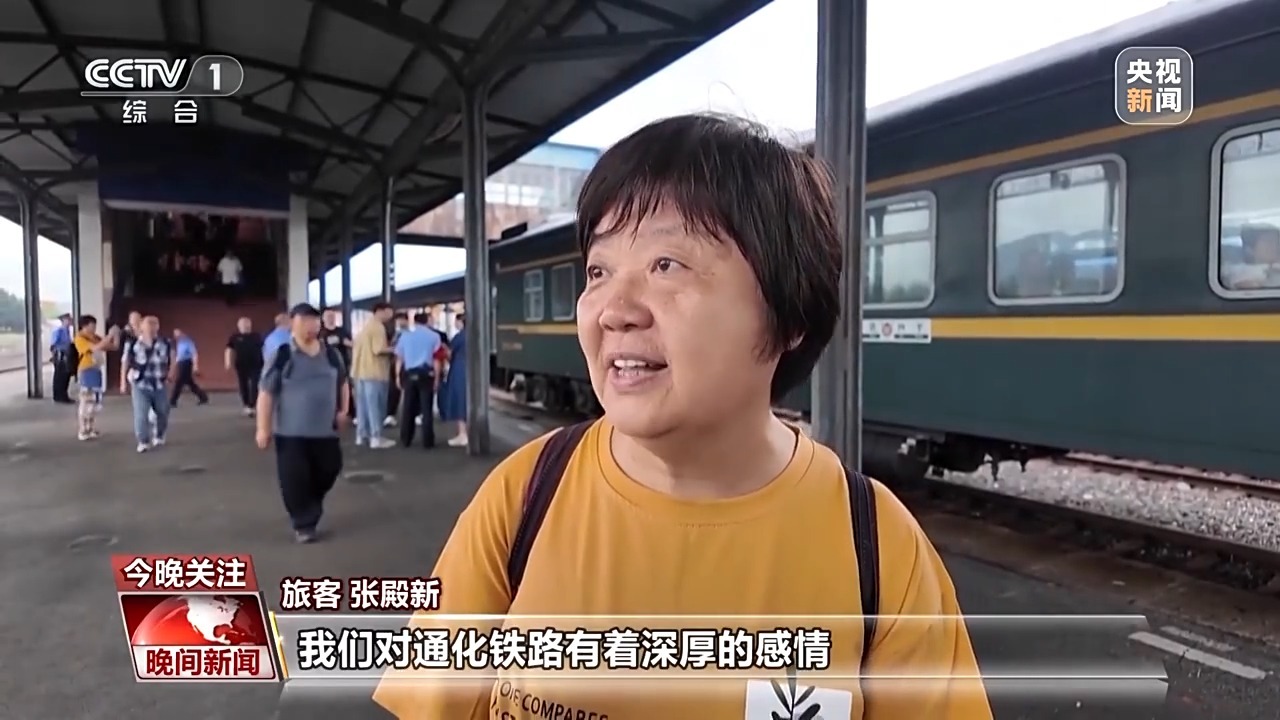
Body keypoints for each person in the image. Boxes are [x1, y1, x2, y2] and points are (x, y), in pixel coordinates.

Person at [373, 115, 992, 720]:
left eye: (667, 264)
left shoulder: (878, 548)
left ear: (789, 313)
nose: (614, 309)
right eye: (598, 270)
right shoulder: (525, 494)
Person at [255, 303, 350, 544]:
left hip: (325, 430)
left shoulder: (331, 354)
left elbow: (342, 382)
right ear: (292, 323)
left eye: (314, 321)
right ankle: (304, 524)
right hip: (291, 432)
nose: (311, 326)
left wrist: (343, 410)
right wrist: (263, 428)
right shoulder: (282, 355)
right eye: (305, 321)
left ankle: (310, 504)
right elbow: (266, 392)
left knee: (330, 468)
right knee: (294, 479)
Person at [124, 315, 175, 453]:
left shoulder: (166, 342)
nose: (151, 327)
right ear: (141, 326)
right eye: (148, 324)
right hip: (140, 384)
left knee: (163, 411)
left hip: (160, 383)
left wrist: (171, 373)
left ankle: (159, 435)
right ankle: (143, 441)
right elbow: (126, 362)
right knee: (141, 414)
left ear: (158, 327)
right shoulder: (133, 344)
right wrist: (123, 381)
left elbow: (172, 357)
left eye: (154, 324)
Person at [350, 302, 397, 449]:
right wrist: (395, 349)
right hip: (375, 372)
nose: (391, 315)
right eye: (389, 312)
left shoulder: (365, 327)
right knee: (375, 406)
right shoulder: (378, 327)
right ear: (380, 311)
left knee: (362, 407)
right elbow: (378, 349)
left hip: (359, 372)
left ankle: (361, 435)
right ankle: (376, 437)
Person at [393, 312, 443, 448]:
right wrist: (437, 378)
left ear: (414, 322)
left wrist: (397, 376)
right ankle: (428, 441)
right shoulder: (434, 336)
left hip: (409, 374)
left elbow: (399, 359)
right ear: (427, 321)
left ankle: (406, 439)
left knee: (408, 407)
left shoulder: (405, 336)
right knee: (426, 408)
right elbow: (437, 360)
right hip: (426, 374)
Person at [71, 315, 118, 441]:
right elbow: (96, 347)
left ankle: (90, 428)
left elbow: (113, 347)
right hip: (86, 371)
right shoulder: (80, 338)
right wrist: (109, 335)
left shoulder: (95, 337)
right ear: (85, 326)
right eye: (92, 326)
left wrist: (115, 335)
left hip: (96, 370)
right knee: (86, 400)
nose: (94, 328)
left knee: (94, 401)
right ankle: (82, 429)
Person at [437, 312, 468, 447]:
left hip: (459, 369)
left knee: (459, 401)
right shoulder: (476, 334)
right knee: (468, 401)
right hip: (473, 370)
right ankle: (469, 433)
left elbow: (450, 355)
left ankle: (463, 434)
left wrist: (444, 348)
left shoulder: (459, 337)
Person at [319, 309, 355, 420]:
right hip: (325, 365)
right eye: (328, 316)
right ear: (323, 319)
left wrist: (346, 342)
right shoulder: (320, 333)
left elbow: (351, 343)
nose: (331, 318)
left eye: (332, 316)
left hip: (342, 364)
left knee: (345, 387)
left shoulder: (341, 331)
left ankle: (351, 413)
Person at [225, 317, 264, 416]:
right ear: (239, 326)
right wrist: (228, 362)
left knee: (255, 385)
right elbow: (229, 350)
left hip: (256, 364)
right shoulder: (235, 337)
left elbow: (265, 348)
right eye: (242, 324)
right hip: (241, 365)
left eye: (247, 324)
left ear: (250, 325)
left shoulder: (257, 336)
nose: (245, 326)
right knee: (243, 385)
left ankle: (252, 405)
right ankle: (246, 405)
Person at [169, 328, 209, 406]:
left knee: (179, 382)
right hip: (181, 364)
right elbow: (179, 355)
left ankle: (172, 401)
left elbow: (194, 354)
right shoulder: (179, 343)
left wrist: (195, 366)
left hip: (186, 363)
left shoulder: (188, 342)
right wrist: (176, 363)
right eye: (175, 335)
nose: (176, 337)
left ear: (182, 334)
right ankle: (203, 397)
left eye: (178, 335)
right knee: (190, 383)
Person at [383, 311, 409, 429]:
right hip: (394, 363)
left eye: (402, 320)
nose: (400, 322)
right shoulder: (392, 334)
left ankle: (412, 413)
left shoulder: (408, 334)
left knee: (409, 390)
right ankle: (390, 414)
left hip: (407, 364)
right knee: (393, 390)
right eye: (398, 320)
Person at [49, 313, 75, 404]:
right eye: (68, 319)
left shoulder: (67, 331)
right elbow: (53, 345)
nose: (70, 321)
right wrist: (55, 357)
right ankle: (59, 396)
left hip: (67, 355)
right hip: (60, 355)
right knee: (60, 376)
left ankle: (64, 395)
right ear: (63, 320)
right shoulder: (58, 331)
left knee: (65, 376)